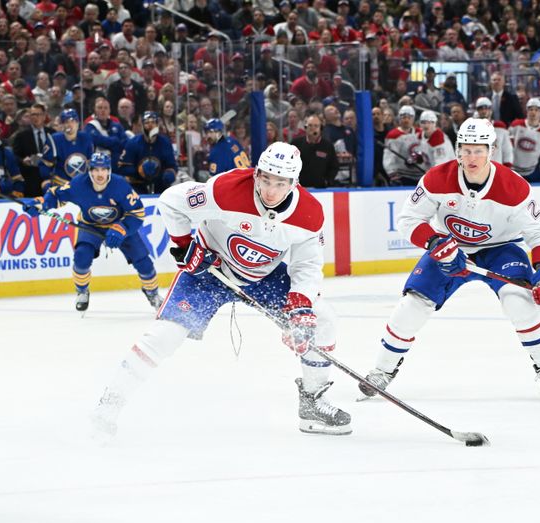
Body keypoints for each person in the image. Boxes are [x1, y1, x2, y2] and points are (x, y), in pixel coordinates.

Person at [90, 142, 351, 439]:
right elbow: (171, 200)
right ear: (257, 173)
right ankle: (108, 406)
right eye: (265, 179)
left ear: (294, 182)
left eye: (280, 183)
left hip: (262, 276)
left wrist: (300, 307)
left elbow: (307, 265)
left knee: (323, 318)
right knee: (164, 335)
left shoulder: (309, 214)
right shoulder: (227, 188)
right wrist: (184, 245)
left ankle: (313, 402)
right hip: (208, 271)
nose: (270, 190)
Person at [358, 118, 540, 399]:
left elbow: (539, 231)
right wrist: (435, 243)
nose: (471, 157)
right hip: (448, 246)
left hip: (501, 249)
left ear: (491, 150)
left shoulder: (513, 187)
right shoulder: (436, 178)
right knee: (412, 305)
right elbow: (409, 219)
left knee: (519, 301)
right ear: (457, 150)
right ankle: (382, 371)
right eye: (465, 150)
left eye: (478, 150)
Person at [22, 152, 162, 312]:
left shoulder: (121, 186)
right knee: (81, 256)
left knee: (143, 261)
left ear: (109, 170)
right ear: (89, 170)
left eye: (103, 169)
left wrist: (122, 228)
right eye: (95, 169)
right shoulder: (78, 184)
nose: (99, 174)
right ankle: (82, 291)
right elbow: (56, 195)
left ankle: (153, 293)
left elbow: (137, 213)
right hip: (90, 225)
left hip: (119, 225)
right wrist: (40, 205)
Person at [118, 111, 177, 194]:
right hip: (138, 185)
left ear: (157, 125)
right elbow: (122, 167)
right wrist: (139, 171)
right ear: (142, 125)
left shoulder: (165, 142)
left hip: (160, 184)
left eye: (153, 122)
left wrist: (169, 173)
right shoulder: (132, 143)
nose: (150, 125)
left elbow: (172, 165)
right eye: (147, 123)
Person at [39, 108, 94, 190]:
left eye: (73, 121)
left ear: (78, 123)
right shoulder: (54, 140)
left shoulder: (86, 138)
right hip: (61, 184)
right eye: (66, 122)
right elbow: (45, 164)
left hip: (83, 184)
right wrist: (46, 180)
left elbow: (90, 162)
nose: (70, 124)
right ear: (62, 124)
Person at [12, 103, 52, 197]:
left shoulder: (52, 133)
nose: (36, 117)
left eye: (39, 114)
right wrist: (22, 160)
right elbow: (14, 156)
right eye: (33, 114)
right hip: (30, 179)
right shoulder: (21, 135)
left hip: (50, 177)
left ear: (44, 116)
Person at [290, 114, 339, 188]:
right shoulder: (296, 144)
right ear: (305, 127)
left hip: (321, 189)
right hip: (299, 188)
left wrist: (327, 181)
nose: (312, 128)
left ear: (321, 128)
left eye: (316, 126)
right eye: (310, 125)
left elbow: (334, 166)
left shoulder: (328, 146)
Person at [83, 97, 128, 170]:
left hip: (116, 166)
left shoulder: (117, 126)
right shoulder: (90, 126)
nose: (103, 110)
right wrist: (115, 140)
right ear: (95, 110)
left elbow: (125, 143)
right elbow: (98, 140)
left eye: (106, 108)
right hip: (98, 166)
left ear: (109, 110)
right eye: (100, 108)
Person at [383, 105, 424, 186]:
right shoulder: (393, 135)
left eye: (409, 117)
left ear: (413, 118)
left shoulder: (421, 133)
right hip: (402, 176)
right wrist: (392, 174)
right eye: (404, 117)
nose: (406, 120)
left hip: (421, 175)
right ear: (399, 118)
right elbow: (388, 158)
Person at [474, 97, 513, 167]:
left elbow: (507, 149)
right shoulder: (471, 129)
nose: (484, 111)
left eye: (486, 108)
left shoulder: (500, 127)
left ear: (491, 110)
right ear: (477, 111)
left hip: (497, 168)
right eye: (481, 109)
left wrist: (507, 166)